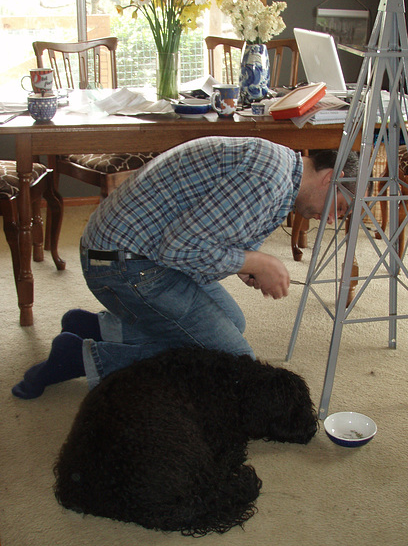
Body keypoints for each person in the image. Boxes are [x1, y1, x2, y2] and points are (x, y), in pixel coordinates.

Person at [12, 136, 358, 399]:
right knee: (231, 359)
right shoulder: (268, 180)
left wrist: (242, 262)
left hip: (135, 253)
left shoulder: (279, 168)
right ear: (330, 178)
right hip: (124, 266)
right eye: (339, 208)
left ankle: (97, 328)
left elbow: (202, 235)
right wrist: (254, 260)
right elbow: (179, 248)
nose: (330, 219)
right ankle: (80, 357)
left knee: (233, 322)